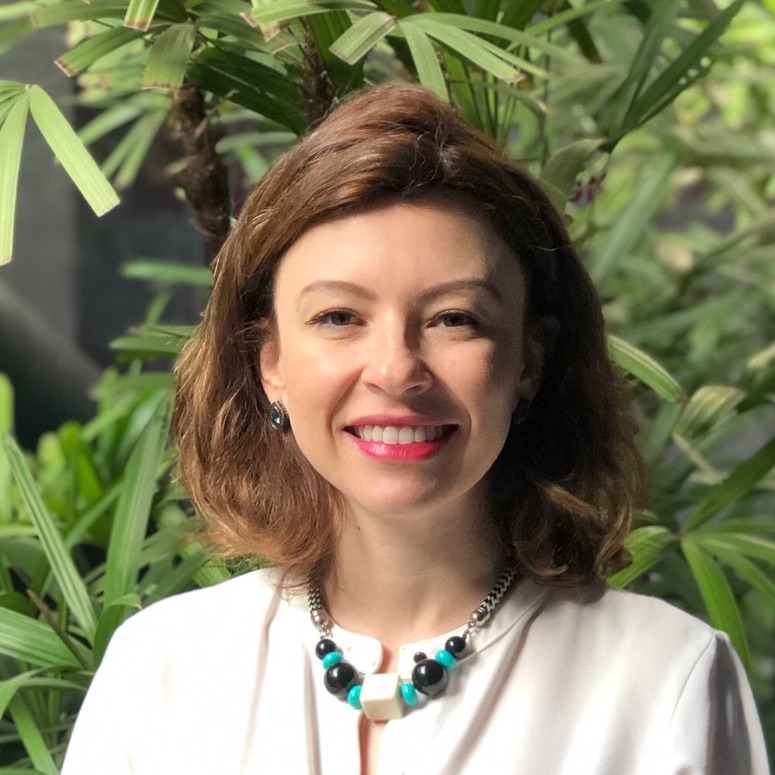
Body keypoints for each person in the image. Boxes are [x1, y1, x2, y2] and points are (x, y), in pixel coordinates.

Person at [61, 82, 768, 775]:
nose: (396, 371)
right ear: (270, 362)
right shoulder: (161, 669)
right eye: (338, 317)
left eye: (453, 318)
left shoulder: (665, 679)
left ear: (528, 358)